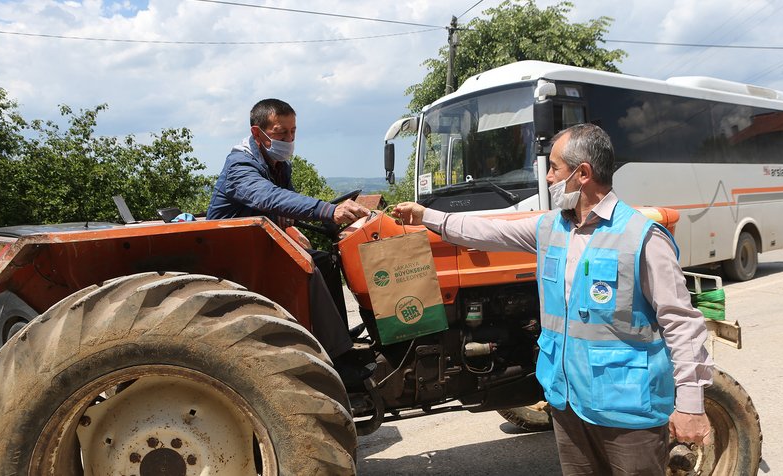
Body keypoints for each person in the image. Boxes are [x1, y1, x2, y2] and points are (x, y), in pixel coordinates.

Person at [393, 123, 713, 474]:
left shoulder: (642, 237)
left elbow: (682, 323)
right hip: (568, 404)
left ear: (583, 174)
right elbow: (487, 231)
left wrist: (691, 406)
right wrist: (428, 217)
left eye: (554, 168)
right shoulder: (551, 227)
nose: (547, 178)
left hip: (629, 413)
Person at [207, 98, 373, 384]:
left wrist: (302, 225)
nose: (289, 139)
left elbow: (286, 208)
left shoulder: (279, 164)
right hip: (232, 255)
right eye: (281, 133)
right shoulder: (240, 164)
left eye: (293, 132)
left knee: (328, 258)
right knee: (308, 268)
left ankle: (341, 343)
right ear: (258, 133)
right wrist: (330, 210)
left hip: (260, 245)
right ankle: (337, 360)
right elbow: (268, 197)